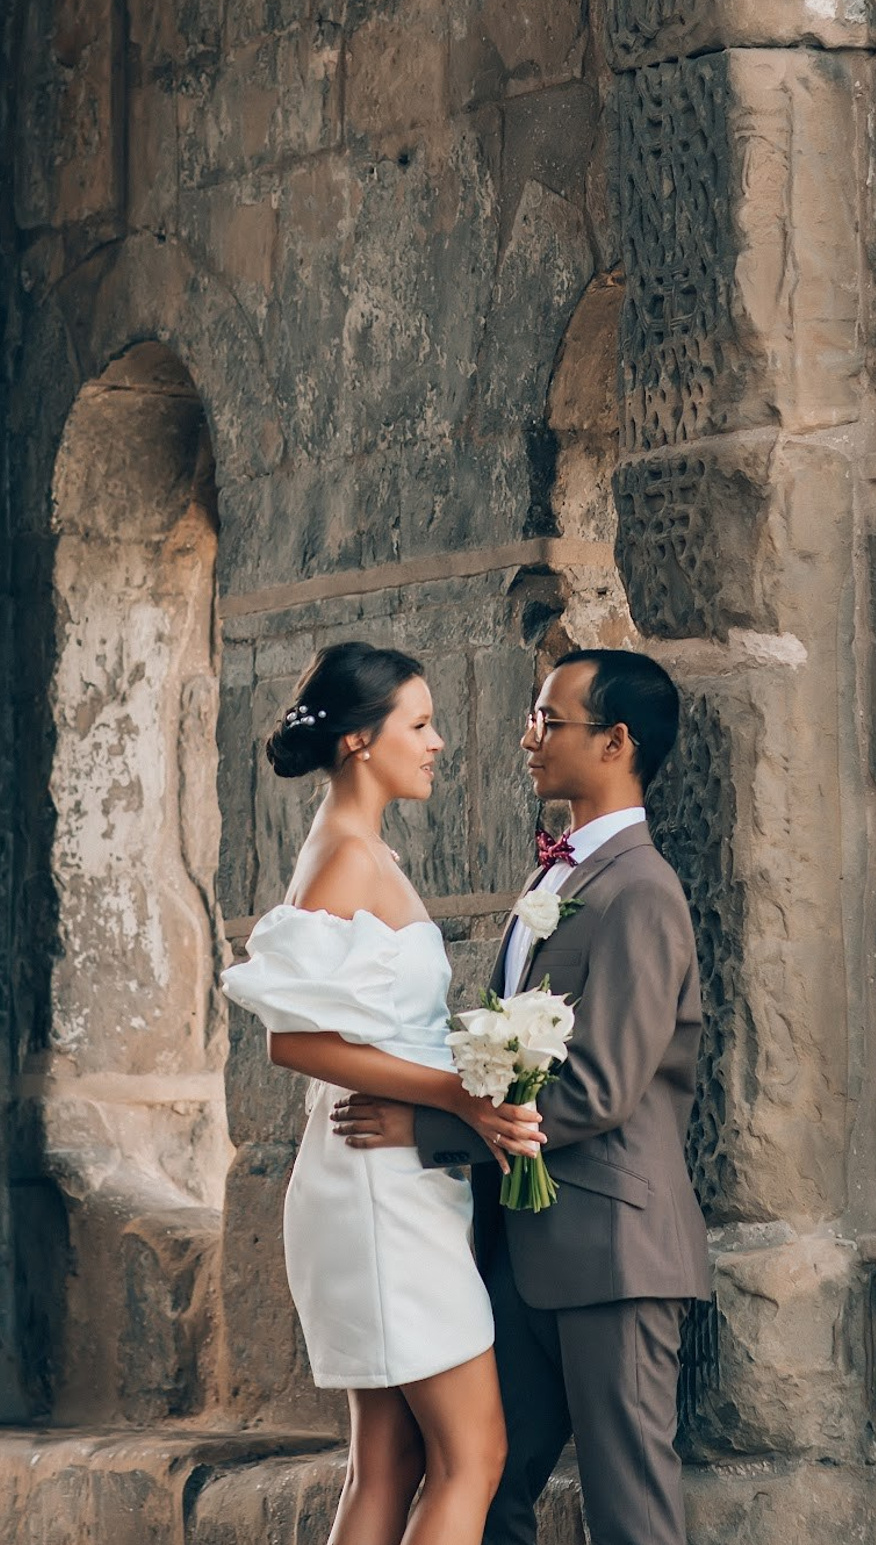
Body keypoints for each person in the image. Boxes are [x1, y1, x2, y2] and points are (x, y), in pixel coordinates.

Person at [332, 648, 709, 1545]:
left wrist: (428, 1126)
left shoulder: (643, 891)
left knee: (629, 1509)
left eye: (550, 721)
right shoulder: (556, 879)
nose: (527, 736)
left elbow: (604, 1087)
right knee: (485, 1487)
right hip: (522, 1247)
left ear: (616, 742)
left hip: (614, 1254)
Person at [221, 641, 546, 1545]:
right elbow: (295, 1040)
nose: (439, 741)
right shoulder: (345, 860)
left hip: (389, 1174)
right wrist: (459, 1093)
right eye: (420, 723)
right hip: (377, 1189)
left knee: (389, 1463)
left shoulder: (362, 849)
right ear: (361, 741)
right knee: (474, 1457)